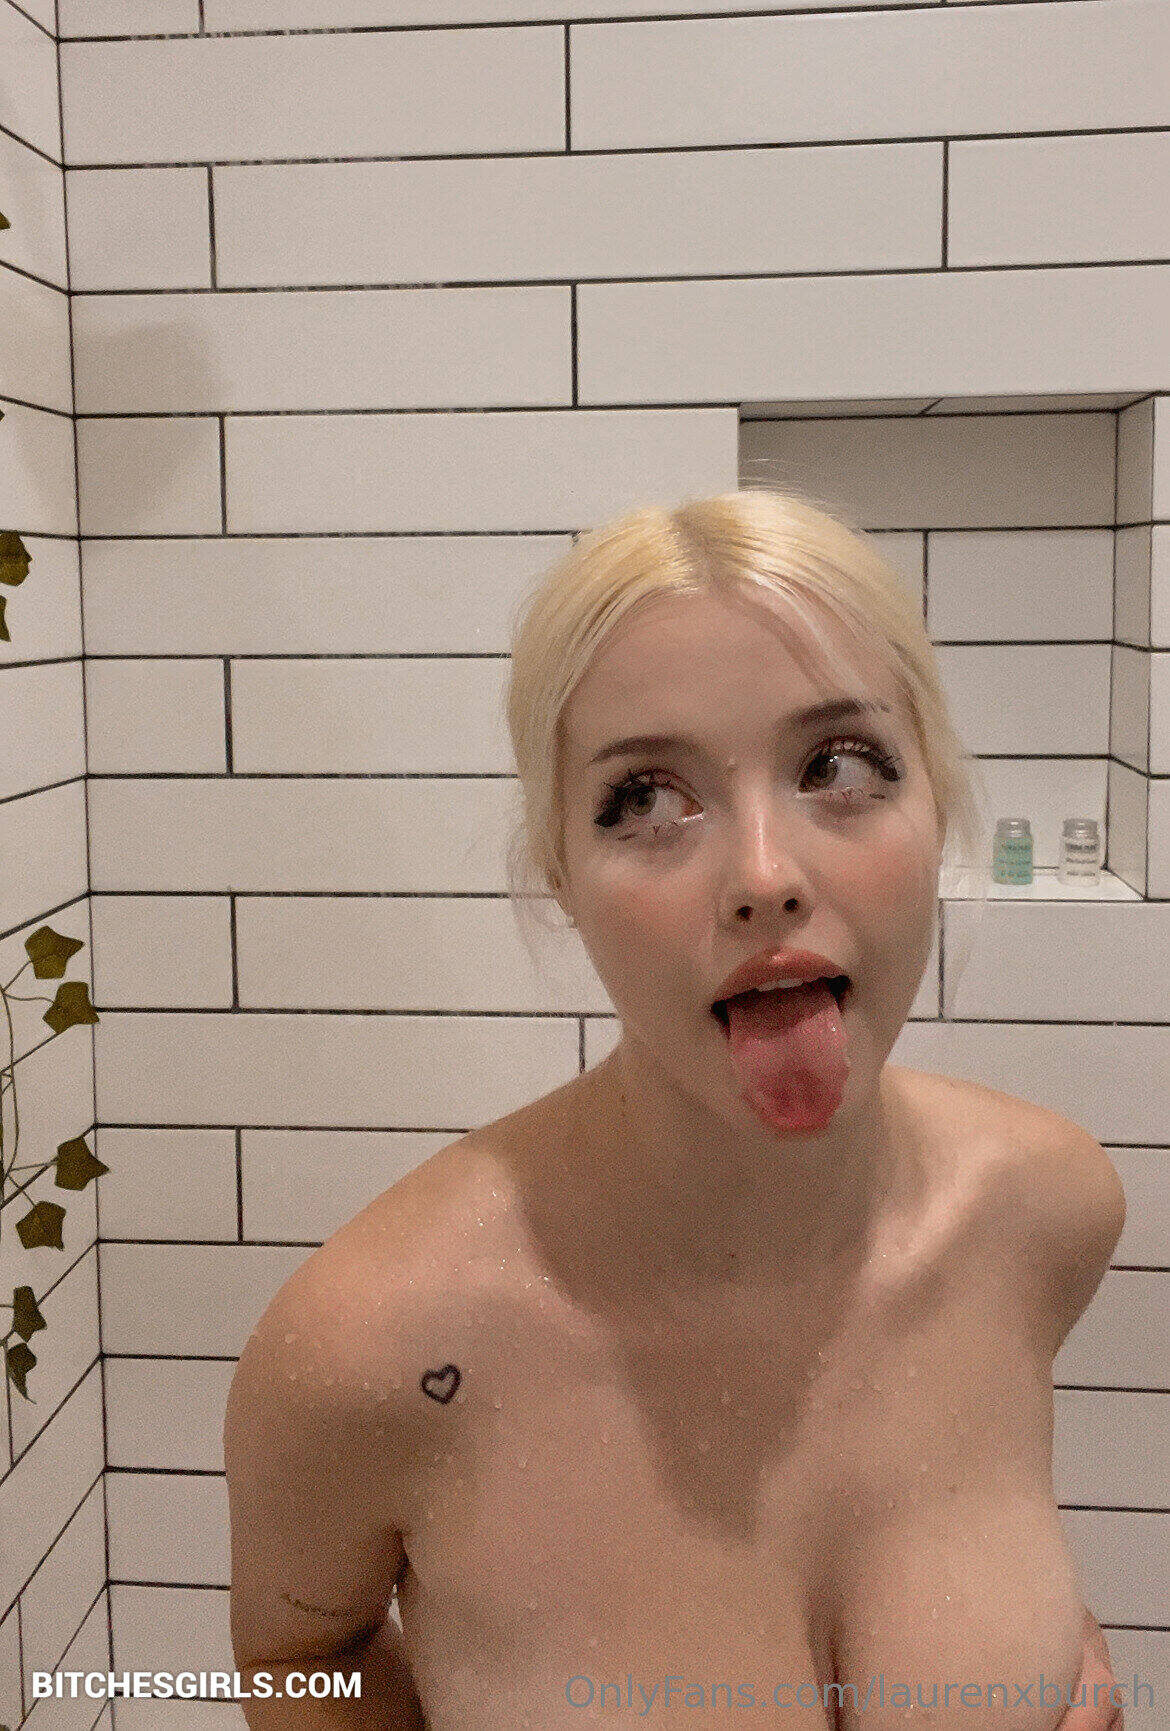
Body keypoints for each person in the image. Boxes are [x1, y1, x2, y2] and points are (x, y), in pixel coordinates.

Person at [225, 488, 1129, 1728]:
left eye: (840, 766)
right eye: (646, 800)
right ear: (558, 867)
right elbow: (295, 1655)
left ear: (937, 803)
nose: (764, 875)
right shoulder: (378, 1351)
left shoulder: (1045, 1214)